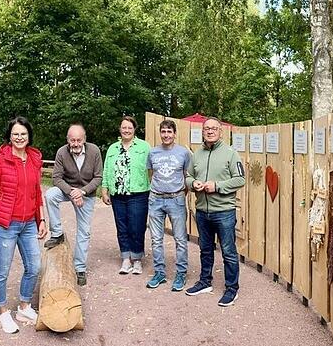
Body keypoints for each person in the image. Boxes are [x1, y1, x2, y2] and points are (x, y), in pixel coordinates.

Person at [0, 116, 48, 333]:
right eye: (15, 134)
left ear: (28, 136)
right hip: (6, 224)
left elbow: (37, 192)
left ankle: (23, 306)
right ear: (9, 137)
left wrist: (41, 220)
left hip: (29, 223)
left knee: (34, 266)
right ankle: (2, 312)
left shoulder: (33, 159)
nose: (19, 137)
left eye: (23, 134)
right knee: (2, 270)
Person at [185, 116, 245, 306]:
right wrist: (193, 183)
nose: (210, 131)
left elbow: (240, 179)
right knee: (205, 249)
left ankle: (232, 288)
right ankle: (205, 282)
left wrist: (217, 186)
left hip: (224, 212)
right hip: (202, 211)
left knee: (228, 251)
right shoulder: (197, 154)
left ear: (221, 131)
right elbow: (187, 176)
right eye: (206, 129)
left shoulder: (230, 153)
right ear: (203, 132)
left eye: (213, 128)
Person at [44, 123, 103, 286]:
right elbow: (56, 178)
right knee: (50, 195)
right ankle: (57, 233)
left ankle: (80, 268)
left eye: (79, 140)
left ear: (84, 139)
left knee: (84, 231)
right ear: (68, 140)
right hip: (67, 189)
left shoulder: (94, 151)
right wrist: (71, 192)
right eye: (72, 140)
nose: (76, 144)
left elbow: (98, 177)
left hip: (86, 194)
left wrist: (82, 192)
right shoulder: (62, 152)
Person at [101, 116, 151, 275]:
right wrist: (105, 188)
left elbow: (152, 168)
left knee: (137, 226)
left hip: (138, 193)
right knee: (122, 227)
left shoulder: (144, 146)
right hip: (118, 194)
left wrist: (150, 185)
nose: (127, 130)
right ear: (120, 129)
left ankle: (137, 259)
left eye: (130, 127)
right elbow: (107, 169)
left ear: (134, 129)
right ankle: (125, 258)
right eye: (124, 127)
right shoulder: (113, 148)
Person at [145, 120, 192, 291]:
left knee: (180, 239)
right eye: (163, 131)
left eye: (169, 132)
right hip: (156, 199)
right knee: (156, 239)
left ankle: (181, 273)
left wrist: (179, 193)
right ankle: (159, 273)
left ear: (174, 133)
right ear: (160, 133)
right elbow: (151, 174)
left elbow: (187, 176)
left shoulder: (183, 153)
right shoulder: (153, 152)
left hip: (176, 199)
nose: (166, 135)